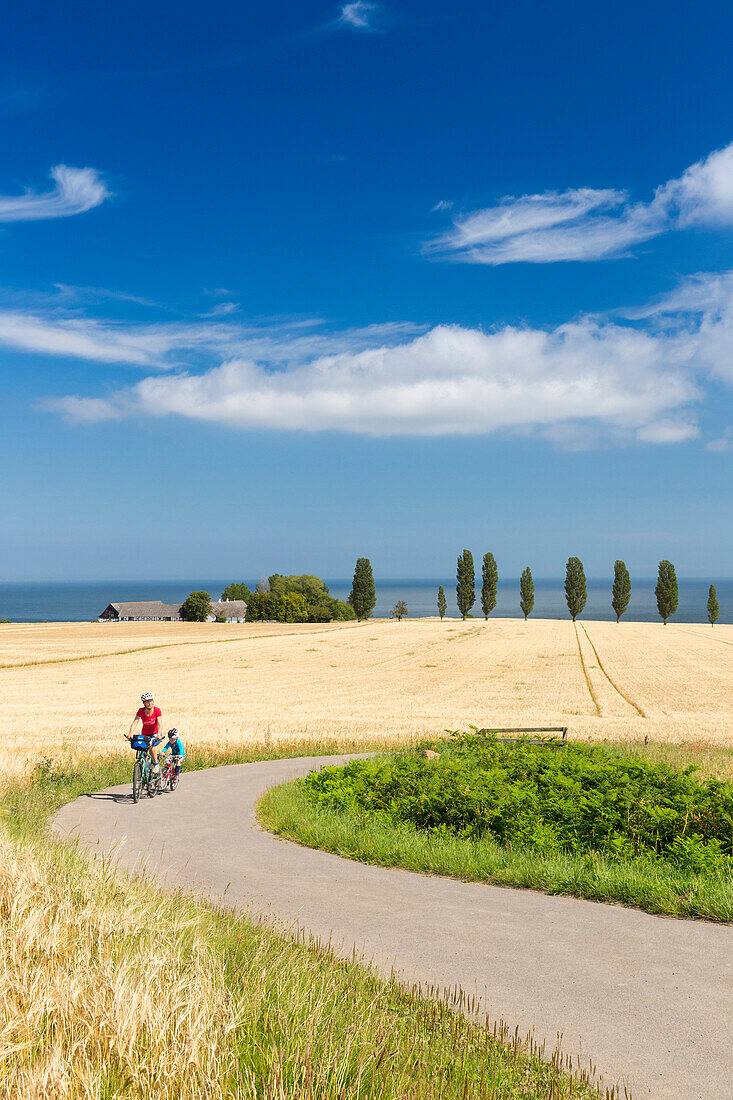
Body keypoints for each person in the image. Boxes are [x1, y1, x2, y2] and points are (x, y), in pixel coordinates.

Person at [126, 692, 163, 773]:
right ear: (144, 703)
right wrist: (130, 734)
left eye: (151, 701)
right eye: (147, 701)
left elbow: (160, 724)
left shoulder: (157, 710)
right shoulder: (141, 711)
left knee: (150, 746)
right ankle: (142, 769)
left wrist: (159, 734)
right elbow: (135, 721)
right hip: (145, 734)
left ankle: (156, 764)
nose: (149, 703)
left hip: (155, 734)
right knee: (141, 749)